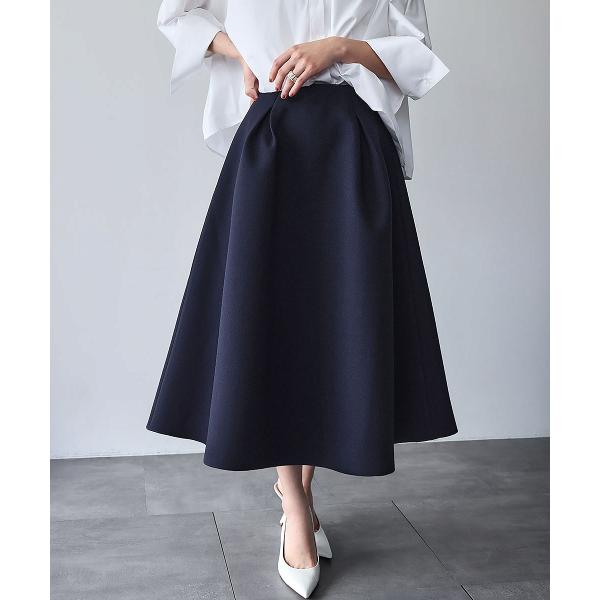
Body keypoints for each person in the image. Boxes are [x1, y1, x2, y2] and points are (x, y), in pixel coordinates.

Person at [147, 1, 458, 597]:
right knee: (271, 321)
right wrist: (244, 52)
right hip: (272, 141)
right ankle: (294, 501)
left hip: (351, 145)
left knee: (335, 326)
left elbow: (414, 52)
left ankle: (300, 491)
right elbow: (179, 15)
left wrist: (339, 49)